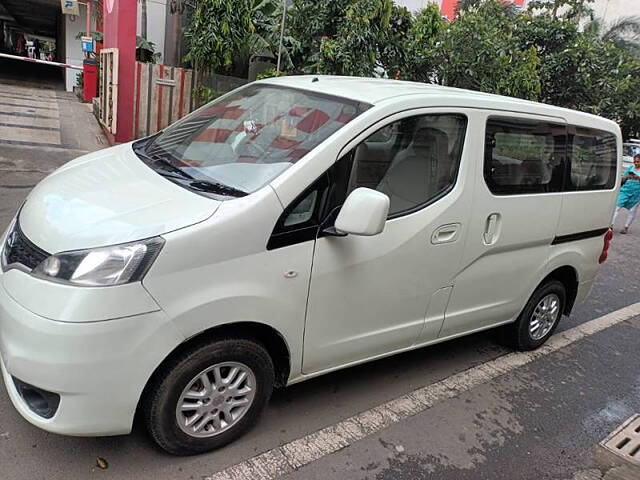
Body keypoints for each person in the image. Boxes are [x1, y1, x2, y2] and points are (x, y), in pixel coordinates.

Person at [613, 153, 640, 234]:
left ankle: (626, 227)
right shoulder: (631, 168)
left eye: (638, 162)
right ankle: (610, 225)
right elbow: (623, 177)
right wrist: (627, 176)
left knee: (632, 210)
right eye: (635, 162)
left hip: (636, 194)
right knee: (617, 207)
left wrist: (638, 177)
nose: (636, 163)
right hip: (625, 190)